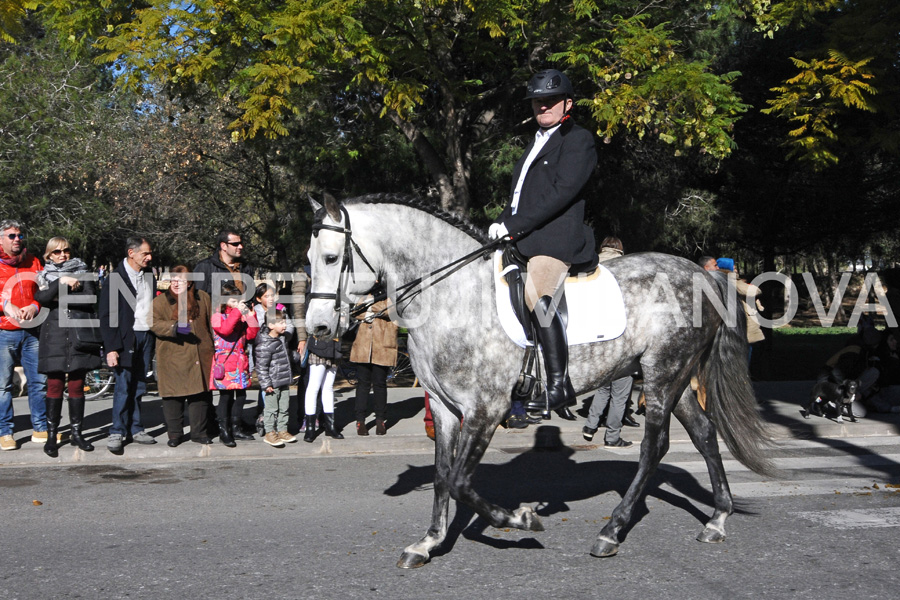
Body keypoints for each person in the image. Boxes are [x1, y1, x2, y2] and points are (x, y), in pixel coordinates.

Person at [489, 68, 598, 419]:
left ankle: (557, 385)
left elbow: (560, 193)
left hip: (554, 238)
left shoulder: (578, 139)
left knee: (538, 294)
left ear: (567, 102)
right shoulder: (534, 142)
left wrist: (513, 225)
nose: (543, 107)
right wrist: (501, 222)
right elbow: (520, 196)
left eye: (550, 101)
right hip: (520, 236)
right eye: (538, 101)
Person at [35, 237, 102, 456]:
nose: (63, 255)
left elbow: (89, 298)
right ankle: (52, 435)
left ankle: (77, 433)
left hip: (79, 334)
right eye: (57, 252)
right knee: (54, 385)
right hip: (53, 335)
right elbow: (42, 297)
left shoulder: (83, 270)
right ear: (49, 255)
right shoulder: (44, 275)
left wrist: (56, 298)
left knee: (76, 384)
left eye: (66, 250)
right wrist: (61, 281)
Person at [194, 228, 256, 437]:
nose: (241, 247)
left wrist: (249, 314)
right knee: (221, 384)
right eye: (235, 244)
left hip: (240, 332)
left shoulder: (245, 268)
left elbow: (249, 296)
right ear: (223, 246)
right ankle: (217, 425)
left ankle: (236, 425)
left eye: (241, 243)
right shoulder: (205, 267)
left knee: (239, 384)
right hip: (217, 332)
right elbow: (198, 301)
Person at [99, 237, 157, 453]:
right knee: (123, 386)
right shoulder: (115, 278)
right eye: (145, 253)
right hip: (124, 338)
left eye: (150, 253)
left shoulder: (149, 275)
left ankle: (136, 428)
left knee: (140, 385)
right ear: (131, 253)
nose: (149, 257)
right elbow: (106, 316)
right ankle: (117, 431)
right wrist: (111, 347)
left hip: (145, 336)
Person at [150, 266, 215, 447]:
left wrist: (215, 347)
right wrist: (173, 328)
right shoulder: (160, 302)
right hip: (173, 355)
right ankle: (175, 434)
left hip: (200, 353)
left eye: (182, 280)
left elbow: (211, 323)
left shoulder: (203, 298)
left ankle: (199, 433)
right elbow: (152, 322)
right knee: (173, 397)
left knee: (199, 396)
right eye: (174, 280)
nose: (177, 284)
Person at [582, 236, 634, 448]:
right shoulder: (626, 269)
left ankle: (590, 425)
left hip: (596, 338)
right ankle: (612, 436)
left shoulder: (591, 267)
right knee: (621, 391)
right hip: (620, 336)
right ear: (620, 250)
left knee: (603, 388)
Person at [0, 219, 47, 451]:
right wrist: (4, 304)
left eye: (19, 235)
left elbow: (44, 292)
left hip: (32, 331)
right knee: (3, 386)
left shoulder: (33, 261)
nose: (17, 239)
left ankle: (40, 428)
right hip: (4, 331)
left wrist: (35, 306)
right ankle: (5, 432)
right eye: (11, 236)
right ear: (1, 239)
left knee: (38, 382)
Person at [210, 281, 259, 447]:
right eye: (232, 300)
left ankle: (237, 427)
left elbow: (252, 334)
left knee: (242, 395)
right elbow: (225, 330)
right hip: (225, 363)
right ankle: (224, 430)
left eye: (237, 300)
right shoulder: (217, 315)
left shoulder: (238, 315)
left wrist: (251, 316)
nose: (236, 303)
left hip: (240, 361)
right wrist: (238, 312)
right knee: (226, 396)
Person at [252, 282, 294, 436]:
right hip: (263, 349)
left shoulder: (280, 309)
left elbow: (289, 325)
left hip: (280, 351)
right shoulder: (255, 312)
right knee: (268, 392)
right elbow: (253, 332)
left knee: (282, 400)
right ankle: (265, 423)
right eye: (266, 296)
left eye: (272, 295)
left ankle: (282, 428)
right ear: (258, 298)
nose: (270, 298)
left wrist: (284, 334)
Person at [351, 297, 398, 436]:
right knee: (363, 384)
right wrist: (371, 311)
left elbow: (392, 309)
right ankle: (360, 421)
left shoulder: (391, 293)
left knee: (380, 384)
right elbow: (355, 311)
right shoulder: (365, 294)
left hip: (383, 344)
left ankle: (380, 420)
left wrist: (370, 307)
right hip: (364, 344)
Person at [303, 332, 343, 442]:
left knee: (328, 387)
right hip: (318, 346)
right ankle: (310, 428)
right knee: (313, 387)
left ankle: (330, 426)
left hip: (334, 346)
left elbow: (344, 325)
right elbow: (310, 323)